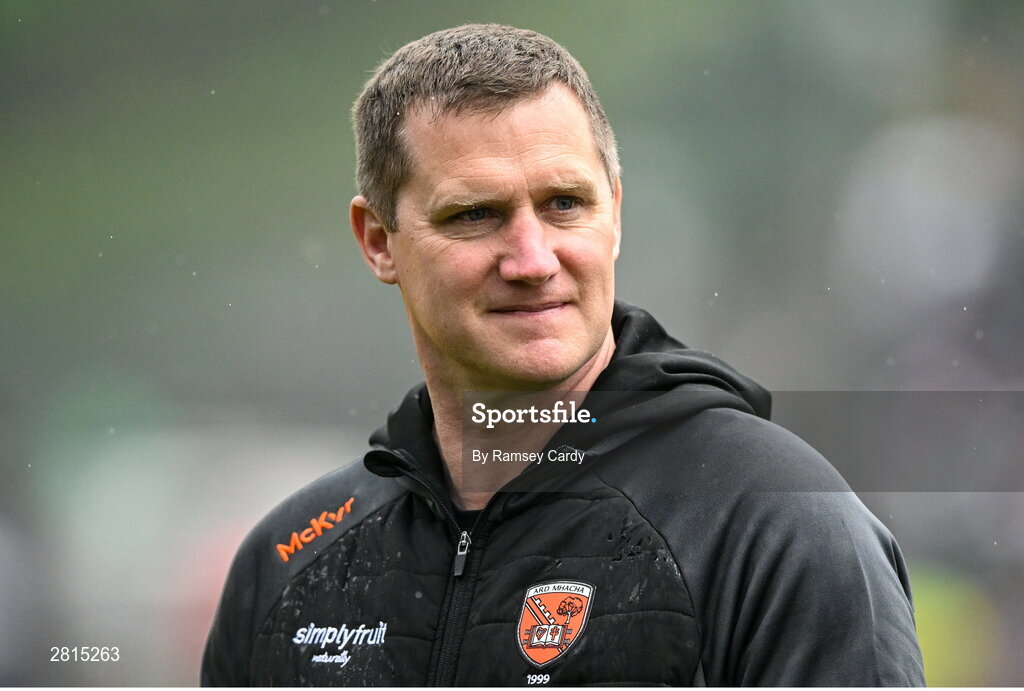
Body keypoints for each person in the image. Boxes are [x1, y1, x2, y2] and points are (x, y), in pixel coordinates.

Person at [202, 24, 924, 686]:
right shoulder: (290, 564)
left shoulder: (777, 524)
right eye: (475, 214)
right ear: (378, 240)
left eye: (564, 204)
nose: (532, 258)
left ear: (615, 209)